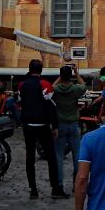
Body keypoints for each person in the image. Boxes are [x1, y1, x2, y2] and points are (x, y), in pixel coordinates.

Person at [18, 59, 67, 200]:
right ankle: (55, 188)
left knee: (30, 157)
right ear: (41, 70)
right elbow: (52, 106)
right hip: (43, 125)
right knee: (51, 157)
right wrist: (55, 125)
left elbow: (20, 103)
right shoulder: (45, 84)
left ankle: (33, 189)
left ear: (29, 68)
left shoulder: (22, 85)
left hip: (28, 125)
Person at [53, 65, 86, 189]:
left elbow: (51, 87)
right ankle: (76, 183)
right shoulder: (75, 89)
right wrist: (77, 74)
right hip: (73, 124)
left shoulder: (56, 90)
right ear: (71, 76)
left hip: (60, 124)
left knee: (59, 156)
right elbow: (83, 86)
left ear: (61, 76)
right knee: (77, 155)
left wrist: (59, 78)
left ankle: (59, 184)